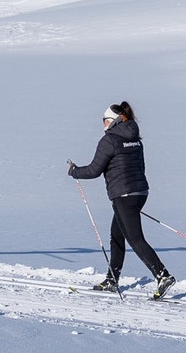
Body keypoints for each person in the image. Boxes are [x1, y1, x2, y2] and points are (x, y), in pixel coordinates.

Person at [68, 101, 176, 298]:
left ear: (113, 120)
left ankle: (163, 275)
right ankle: (112, 279)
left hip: (123, 196)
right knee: (117, 236)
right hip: (140, 193)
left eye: (104, 120)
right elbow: (140, 167)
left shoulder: (109, 140)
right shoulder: (136, 139)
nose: (103, 124)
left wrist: (74, 171)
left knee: (135, 238)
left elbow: (94, 170)